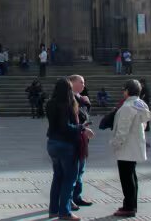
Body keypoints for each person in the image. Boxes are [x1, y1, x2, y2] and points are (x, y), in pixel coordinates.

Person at [46, 78, 95, 220]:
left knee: (57, 177)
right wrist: (82, 128)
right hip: (66, 145)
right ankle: (65, 212)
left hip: (52, 144)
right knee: (69, 179)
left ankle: (54, 210)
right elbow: (66, 127)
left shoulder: (50, 103)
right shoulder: (67, 104)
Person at [110, 79, 151, 217]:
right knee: (131, 177)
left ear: (127, 91)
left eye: (124, 89)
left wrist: (116, 143)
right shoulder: (140, 103)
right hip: (134, 145)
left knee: (127, 178)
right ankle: (131, 205)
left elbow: (123, 129)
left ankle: (128, 207)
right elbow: (144, 124)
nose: (123, 92)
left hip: (126, 148)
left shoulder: (128, 106)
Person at [69, 74, 94, 209]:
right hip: (75, 138)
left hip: (82, 138)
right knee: (74, 171)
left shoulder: (80, 98)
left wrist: (86, 103)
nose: (84, 85)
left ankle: (76, 197)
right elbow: (73, 120)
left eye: (84, 83)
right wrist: (83, 130)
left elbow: (84, 115)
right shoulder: (69, 99)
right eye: (81, 82)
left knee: (80, 170)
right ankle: (70, 198)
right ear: (72, 83)